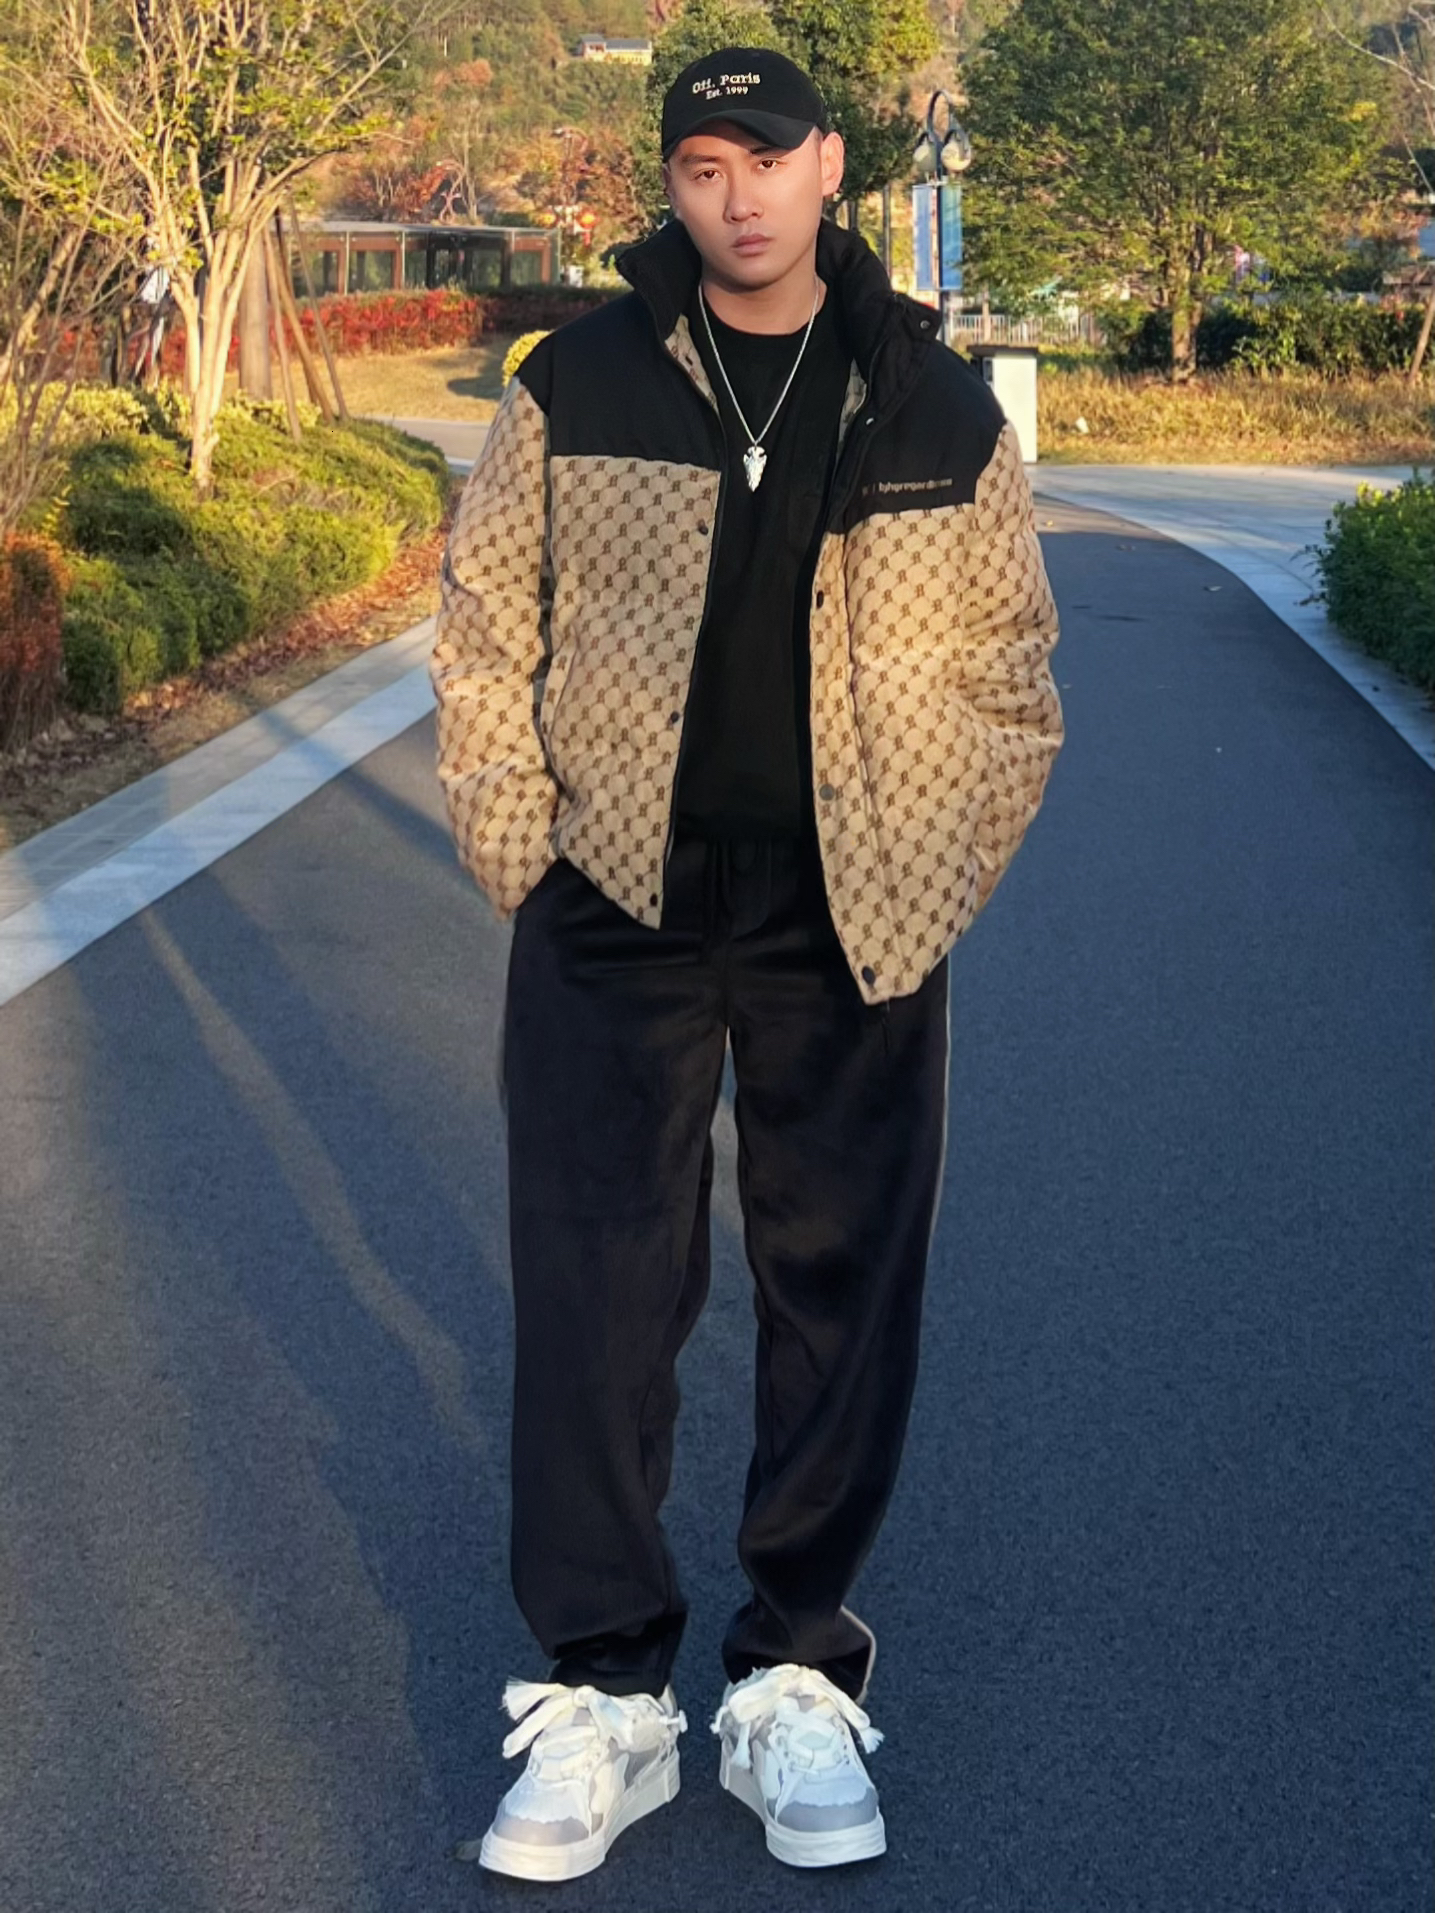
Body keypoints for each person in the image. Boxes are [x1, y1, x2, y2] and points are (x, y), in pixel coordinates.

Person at [429, 45, 1065, 1883]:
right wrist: (521, 841)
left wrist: (932, 866)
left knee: (842, 1286)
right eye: (703, 165)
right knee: (596, 1284)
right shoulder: (577, 382)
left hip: (853, 903)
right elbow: (485, 623)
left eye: (767, 158)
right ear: (674, 184)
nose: (739, 196)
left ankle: (794, 1666)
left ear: (830, 165)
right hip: (614, 896)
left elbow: (1014, 670)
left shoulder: (934, 399)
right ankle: (605, 1688)